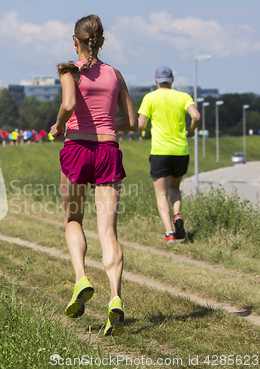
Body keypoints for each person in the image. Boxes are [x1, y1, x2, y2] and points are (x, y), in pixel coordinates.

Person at [50, 14, 137, 336]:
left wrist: (59, 125)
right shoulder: (115, 74)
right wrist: (108, 126)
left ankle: (81, 279)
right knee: (108, 231)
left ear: (76, 42)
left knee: (73, 219)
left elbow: (69, 103)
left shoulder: (69, 71)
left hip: (76, 149)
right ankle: (115, 297)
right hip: (108, 151)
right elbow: (132, 122)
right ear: (101, 42)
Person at [138, 66, 200, 243]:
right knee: (174, 188)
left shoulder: (150, 98)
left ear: (156, 80)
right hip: (181, 151)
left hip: (160, 151)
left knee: (160, 194)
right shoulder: (183, 97)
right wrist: (191, 130)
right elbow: (196, 115)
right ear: (172, 79)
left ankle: (169, 233)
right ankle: (178, 215)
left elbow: (141, 125)